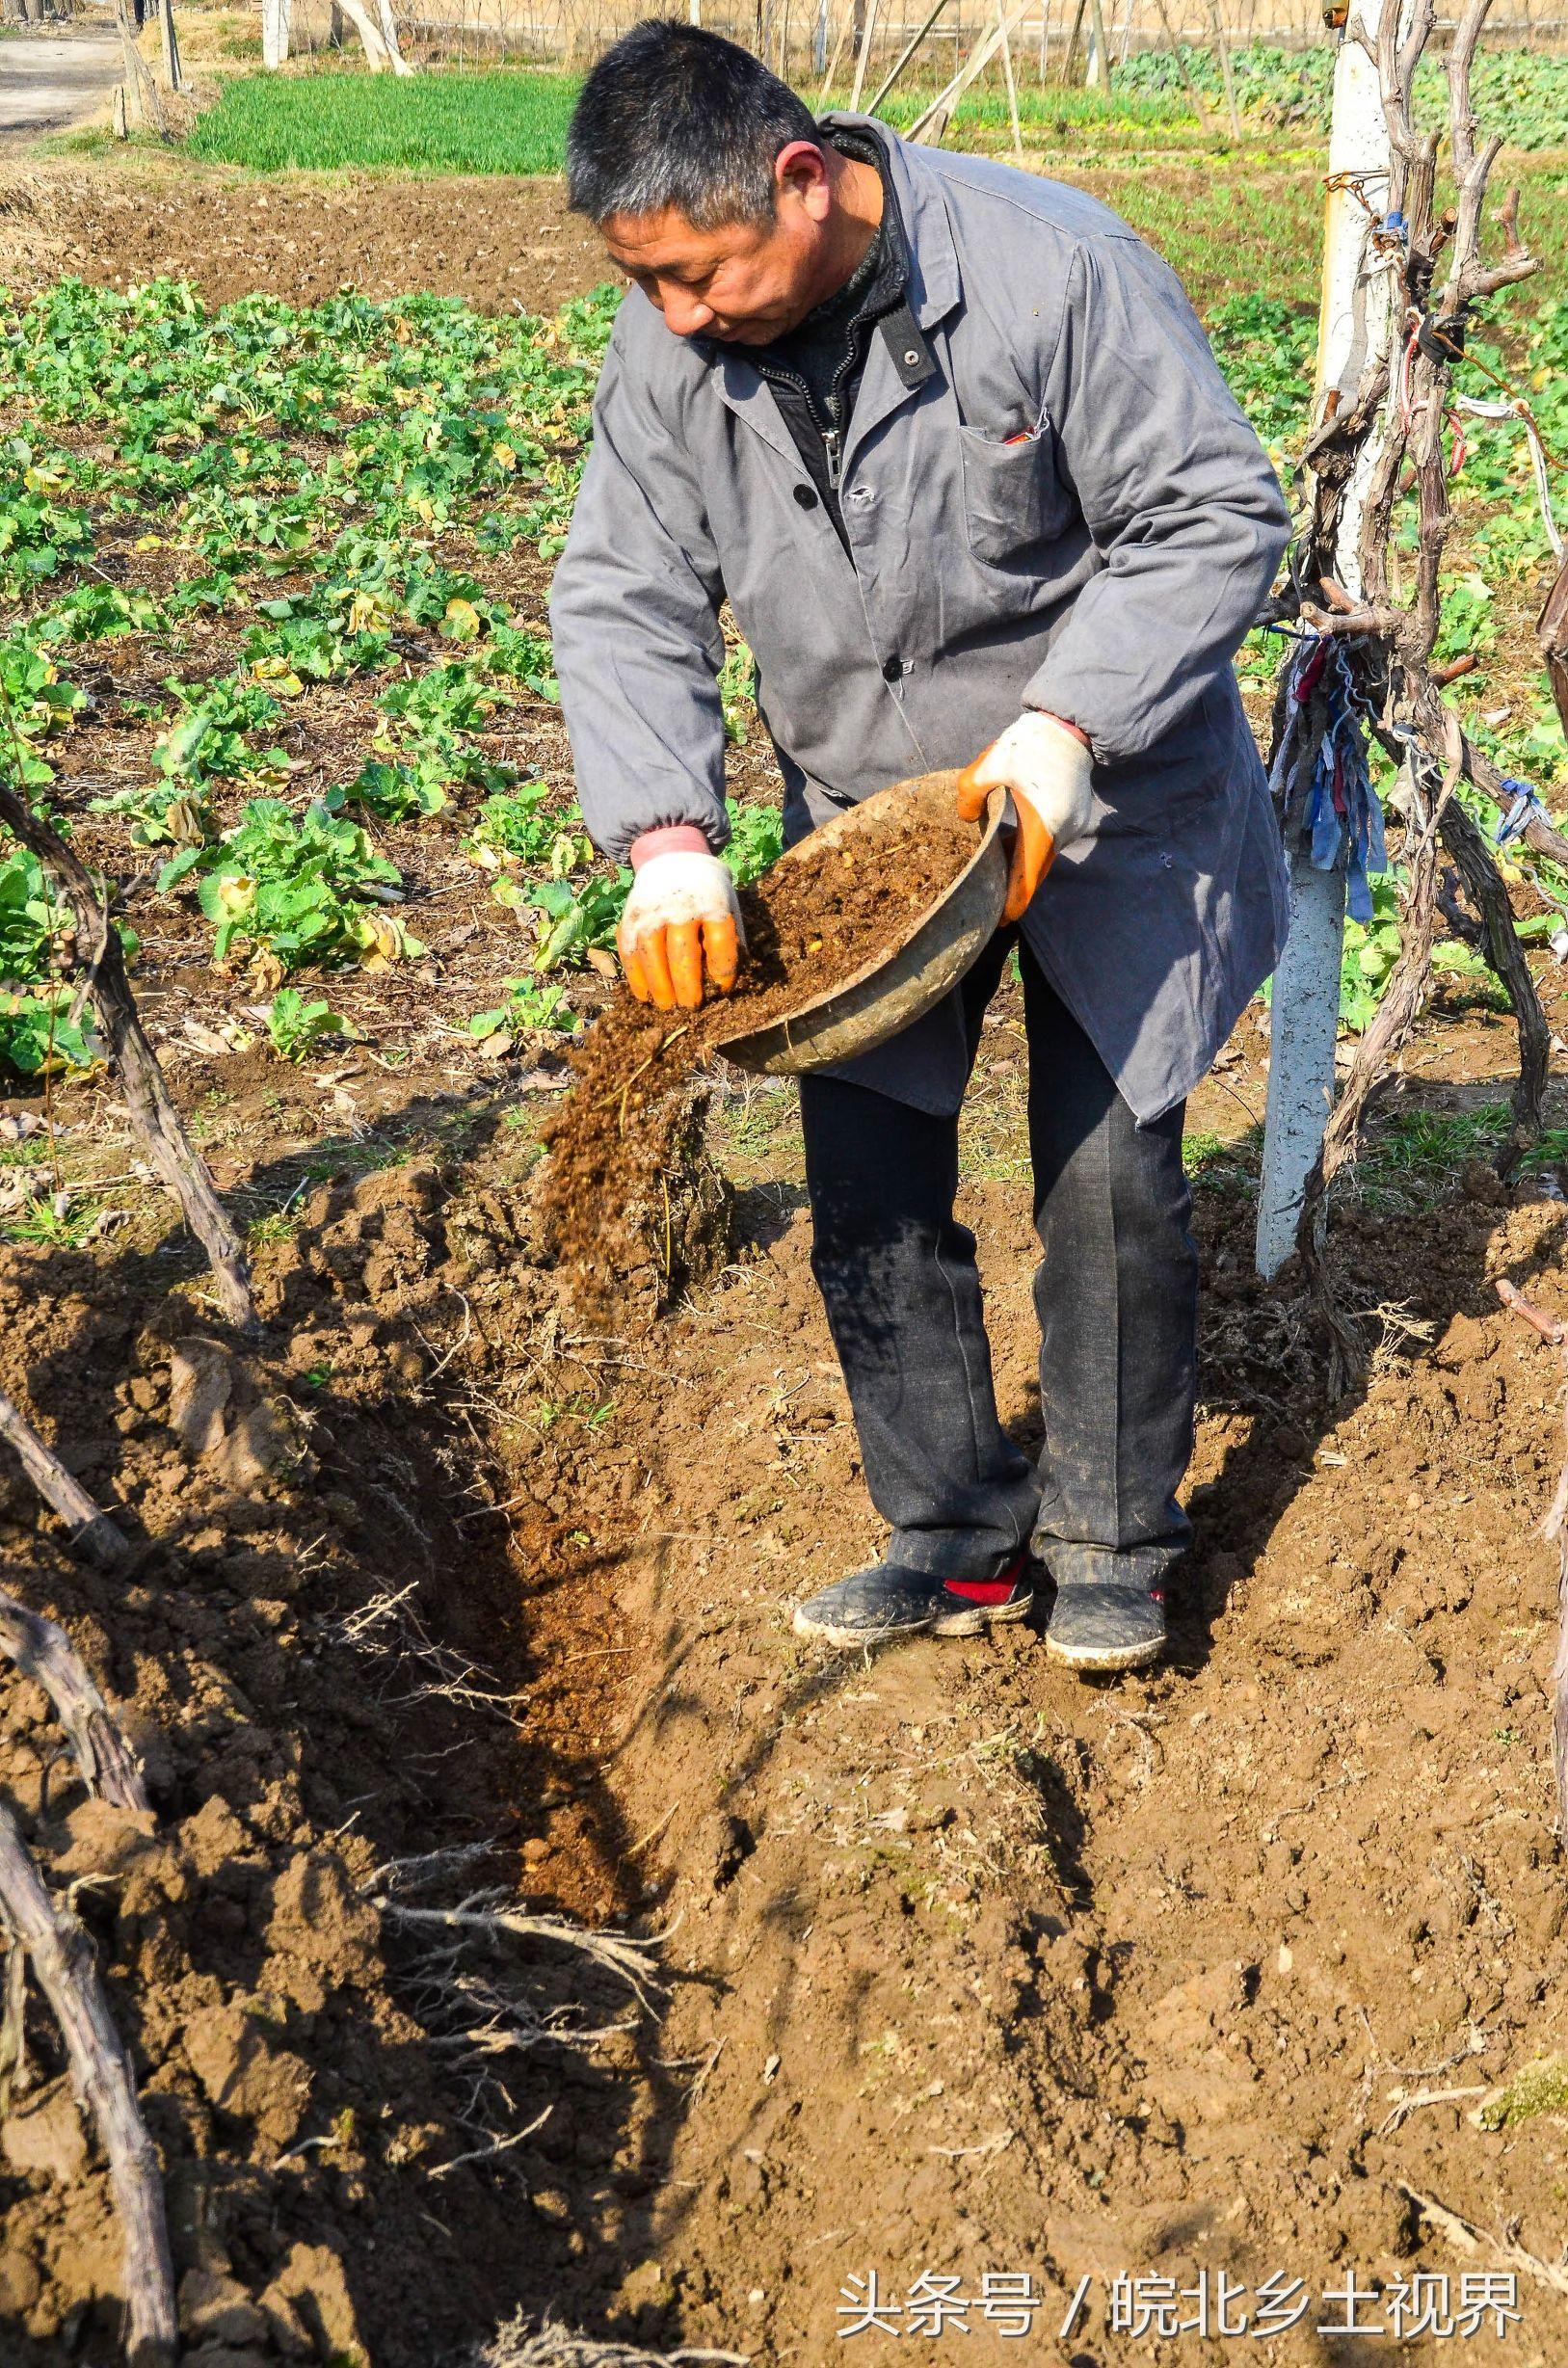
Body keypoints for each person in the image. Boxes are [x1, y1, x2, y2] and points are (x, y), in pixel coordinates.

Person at [548, 21, 1289, 1675]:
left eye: (702, 273)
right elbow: (626, 585)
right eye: (645, 281)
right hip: (869, 826)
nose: (675, 316)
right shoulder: (667, 346)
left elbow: (1216, 512)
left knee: (1108, 1186)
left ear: (802, 181)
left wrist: (1070, 720)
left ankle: (1111, 1540)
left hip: (1109, 793)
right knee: (871, 1181)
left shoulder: (1053, 273)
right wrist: (668, 831)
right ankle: (953, 1530)